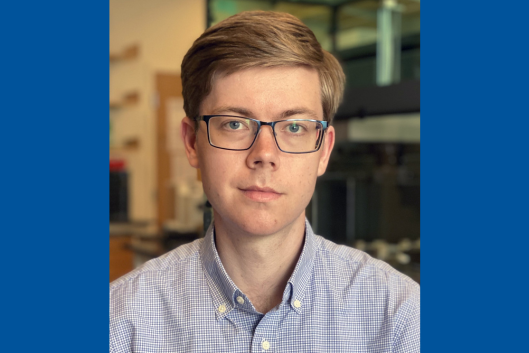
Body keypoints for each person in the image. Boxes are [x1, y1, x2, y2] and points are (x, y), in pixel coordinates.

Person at [110, 10, 419, 353]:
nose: (264, 154)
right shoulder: (120, 323)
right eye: (234, 124)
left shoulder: (402, 318)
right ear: (191, 142)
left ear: (323, 151)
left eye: (295, 126)